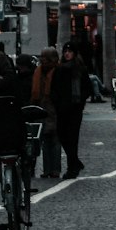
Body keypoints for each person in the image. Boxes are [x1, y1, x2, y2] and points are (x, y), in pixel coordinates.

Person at [50, 42, 89, 178]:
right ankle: (75, 162)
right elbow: (54, 89)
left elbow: (86, 88)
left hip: (75, 109)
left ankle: (72, 168)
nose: (67, 53)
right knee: (62, 135)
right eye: (65, 51)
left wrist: (80, 101)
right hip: (62, 108)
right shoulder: (59, 69)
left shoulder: (80, 70)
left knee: (72, 138)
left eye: (70, 51)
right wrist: (57, 103)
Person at [30, 46, 61, 178]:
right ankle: (47, 169)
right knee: (44, 141)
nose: (44, 61)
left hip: (55, 109)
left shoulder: (58, 72)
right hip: (42, 109)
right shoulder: (38, 72)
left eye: (46, 58)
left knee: (54, 141)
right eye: (42, 58)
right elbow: (35, 93)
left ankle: (55, 169)